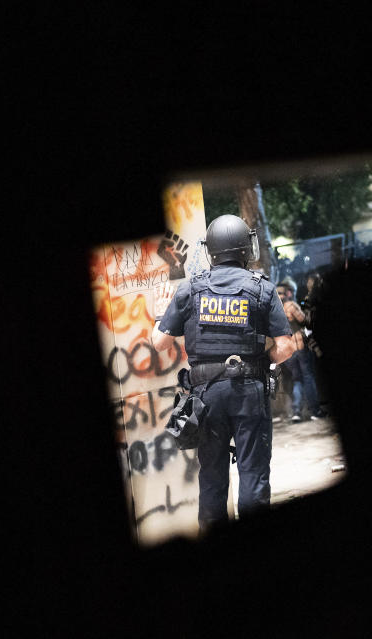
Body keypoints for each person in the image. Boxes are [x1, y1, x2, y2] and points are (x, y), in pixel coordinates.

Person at [151, 215, 296, 532]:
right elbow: (286, 347)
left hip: (205, 396)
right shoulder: (263, 289)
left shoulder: (190, 290)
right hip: (249, 392)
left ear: (211, 250)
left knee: (212, 476)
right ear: (247, 248)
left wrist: (161, 314)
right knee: (253, 473)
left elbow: (159, 342)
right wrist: (261, 361)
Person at [276, 276, 325, 422]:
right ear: (289, 292)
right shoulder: (291, 305)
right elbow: (305, 321)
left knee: (297, 380)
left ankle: (296, 412)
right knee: (308, 377)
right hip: (299, 347)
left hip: (286, 352)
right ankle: (315, 411)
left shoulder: (274, 310)